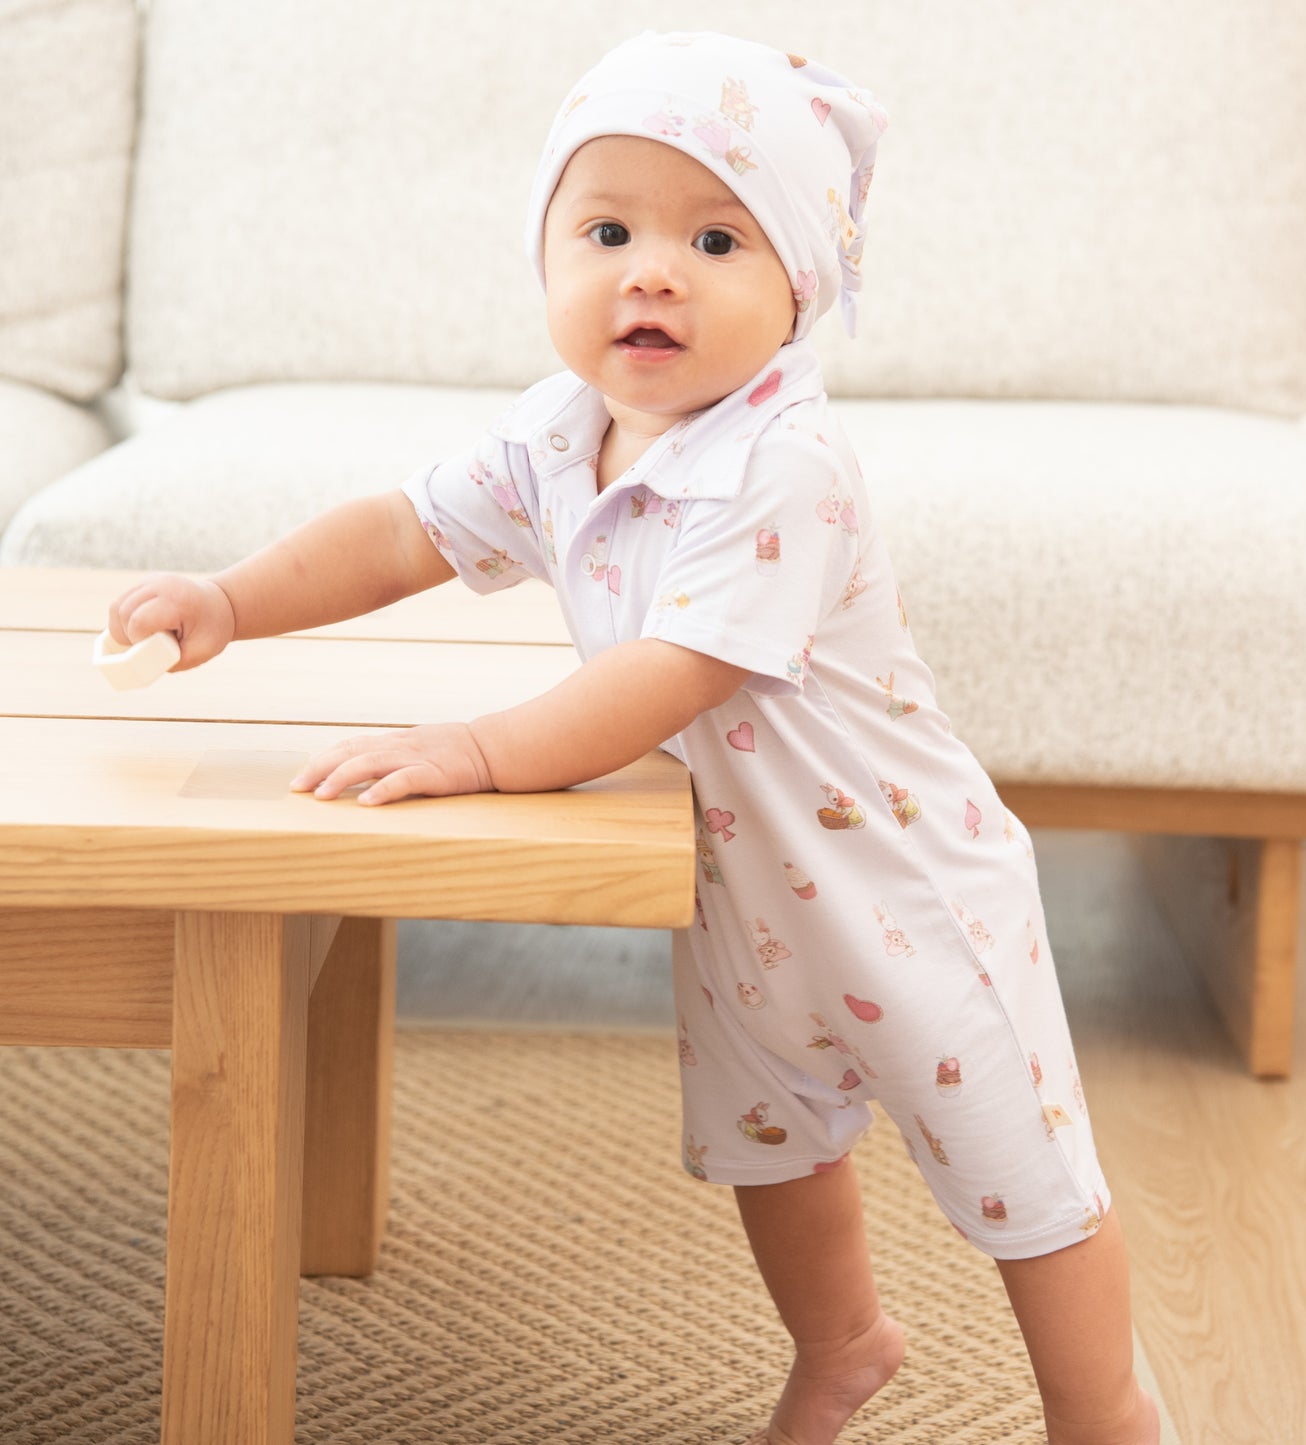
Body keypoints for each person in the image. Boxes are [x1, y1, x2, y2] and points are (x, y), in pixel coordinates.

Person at [108, 31, 1159, 1445]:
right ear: (546, 257)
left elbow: (668, 675)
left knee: (1020, 1186)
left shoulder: (782, 461)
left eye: (716, 238)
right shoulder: (564, 433)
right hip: (745, 890)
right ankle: (842, 1345)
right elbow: (400, 531)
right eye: (606, 229)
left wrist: (478, 749)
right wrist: (232, 597)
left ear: (798, 292)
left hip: (911, 890)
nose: (651, 269)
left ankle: (1105, 1414)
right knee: (774, 1150)